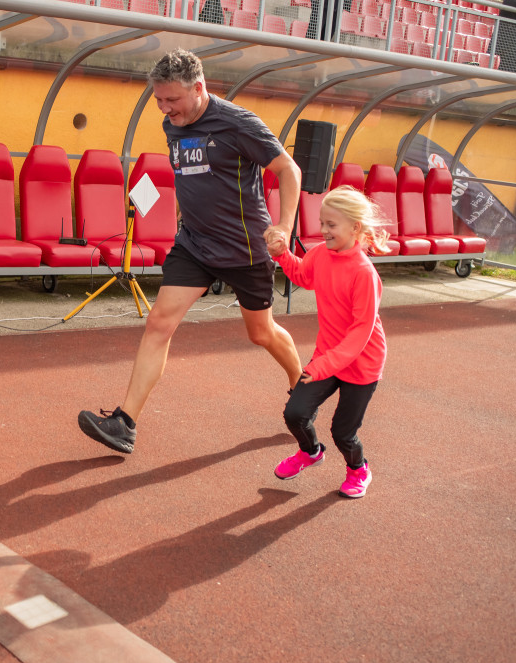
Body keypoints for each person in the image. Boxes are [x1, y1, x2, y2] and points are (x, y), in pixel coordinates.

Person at [77, 48, 303, 455]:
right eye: (159, 101)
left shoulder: (238, 123)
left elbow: (289, 170)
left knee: (261, 333)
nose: (165, 109)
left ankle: (301, 387)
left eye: (172, 100)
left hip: (244, 248)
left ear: (199, 88)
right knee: (159, 322)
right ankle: (124, 423)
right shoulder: (173, 124)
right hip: (195, 243)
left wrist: (284, 226)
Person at [264, 186, 389, 498]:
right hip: (329, 357)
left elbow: (359, 335)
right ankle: (310, 452)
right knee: (295, 413)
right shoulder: (320, 254)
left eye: (331, 225)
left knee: (343, 433)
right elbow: (303, 276)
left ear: (355, 228)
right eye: (322, 223)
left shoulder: (364, 274)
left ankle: (359, 469)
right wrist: (281, 254)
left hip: (361, 364)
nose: (323, 230)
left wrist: (321, 366)